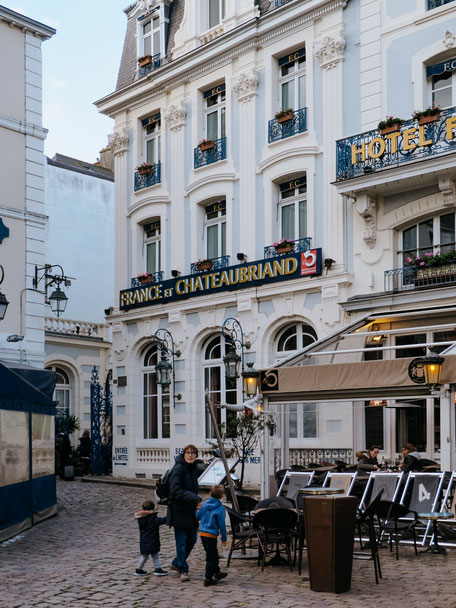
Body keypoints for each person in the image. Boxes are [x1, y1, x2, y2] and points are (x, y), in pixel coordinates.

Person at [167, 444, 201, 582]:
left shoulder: (193, 469)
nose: (191, 455)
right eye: (188, 452)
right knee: (181, 542)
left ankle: (177, 562)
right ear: (184, 454)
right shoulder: (178, 468)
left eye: (193, 453)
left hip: (190, 510)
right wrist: (194, 497)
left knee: (192, 539)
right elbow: (175, 491)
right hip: (179, 510)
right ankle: (183, 570)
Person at [196, 484, 228, 587]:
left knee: (213, 554)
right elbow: (222, 525)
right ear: (222, 496)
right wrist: (224, 538)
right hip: (211, 535)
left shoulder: (204, 505)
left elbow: (198, 516)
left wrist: (197, 509)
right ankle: (208, 578)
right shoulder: (220, 508)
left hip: (202, 533)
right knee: (211, 556)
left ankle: (217, 571)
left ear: (210, 493)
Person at [134, 499, 168, 577]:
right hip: (153, 540)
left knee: (144, 556)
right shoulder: (152, 518)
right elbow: (162, 520)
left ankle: (139, 569)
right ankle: (157, 569)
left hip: (144, 540)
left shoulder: (141, 518)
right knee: (155, 555)